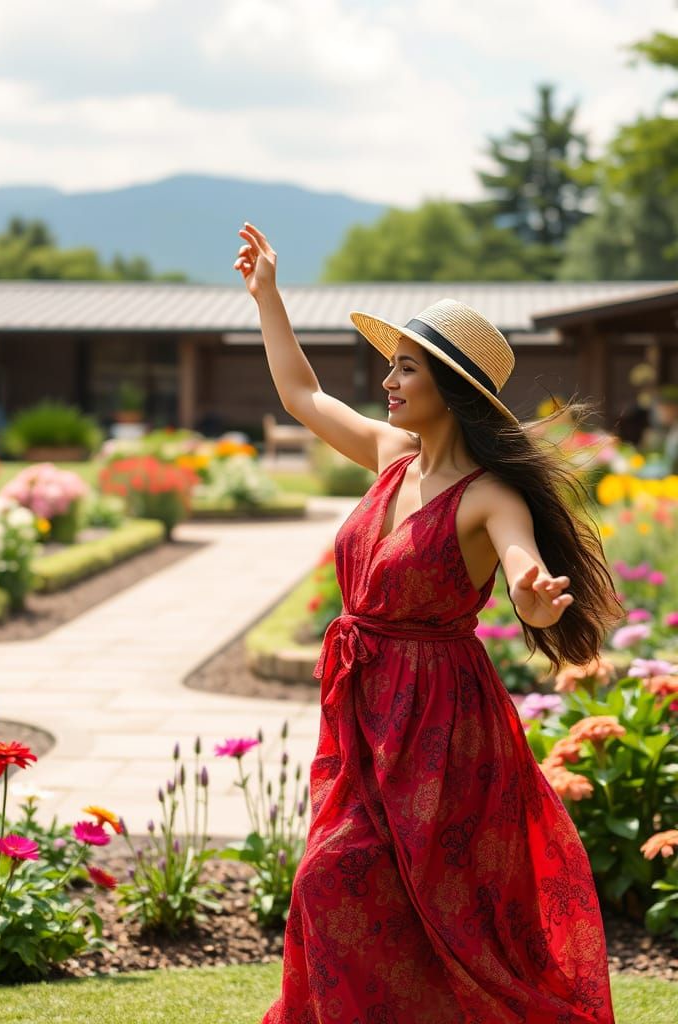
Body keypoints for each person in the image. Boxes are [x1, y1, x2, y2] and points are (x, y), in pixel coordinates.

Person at [234, 223, 622, 1024]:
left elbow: (520, 564)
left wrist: (534, 596)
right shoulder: (389, 456)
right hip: (363, 707)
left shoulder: (490, 494)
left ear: (450, 384)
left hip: (441, 724)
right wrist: (270, 297)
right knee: (332, 879)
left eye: (405, 367)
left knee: (429, 904)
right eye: (391, 365)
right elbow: (303, 395)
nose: (388, 381)